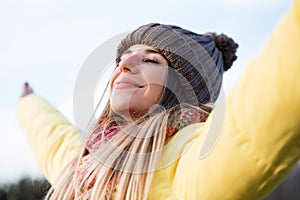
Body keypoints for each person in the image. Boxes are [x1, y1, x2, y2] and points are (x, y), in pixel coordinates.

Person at [18, 0, 300, 199]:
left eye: (152, 59)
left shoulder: (190, 157)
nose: (125, 62)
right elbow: (54, 142)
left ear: (184, 90)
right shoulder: (87, 162)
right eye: (123, 57)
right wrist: (31, 105)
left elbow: (253, 126)